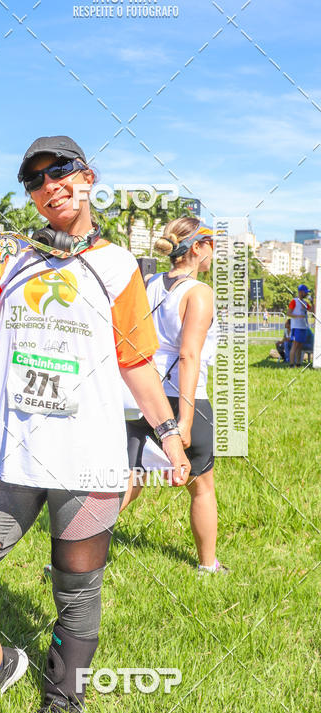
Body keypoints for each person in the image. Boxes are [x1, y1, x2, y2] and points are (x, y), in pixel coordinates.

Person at [0, 135, 190, 713]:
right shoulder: (13, 262)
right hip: (12, 456)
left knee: (76, 594)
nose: (50, 185)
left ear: (87, 176)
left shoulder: (120, 266)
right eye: (36, 180)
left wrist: (170, 435)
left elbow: (137, 362)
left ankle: (62, 703)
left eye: (61, 171)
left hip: (89, 458)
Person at [119, 217, 227, 575]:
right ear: (196, 247)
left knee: (127, 482)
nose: (214, 251)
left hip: (140, 396)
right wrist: (184, 420)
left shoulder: (148, 283)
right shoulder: (199, 292)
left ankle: (68, 559)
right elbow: (188, 354)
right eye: (211, 243)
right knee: (202, 486)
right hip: (182, 398)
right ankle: (208, 566)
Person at [288, 284, 313, 367]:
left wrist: (312, 302)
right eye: (305, 292)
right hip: (296, 327)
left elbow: (312, 310)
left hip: (303, 327)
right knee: (295, 346)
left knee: (300, 346)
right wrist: (298, 316)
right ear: (301, 292)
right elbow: (289, 313)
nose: (306, 294)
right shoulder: (294, 301)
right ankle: (291, 364)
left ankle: (298, 364)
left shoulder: (305, 303)